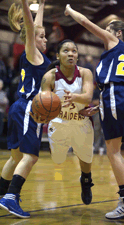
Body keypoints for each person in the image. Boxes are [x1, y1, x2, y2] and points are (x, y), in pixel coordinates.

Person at [64, 4, 124, 220]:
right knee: (113, 150)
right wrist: (99, 107)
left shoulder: (115, 44)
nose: (104, 32)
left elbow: (86, 23)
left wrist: (70, 10)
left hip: (116, 97)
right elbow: (121, 86)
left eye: (108, 28)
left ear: (118, 33)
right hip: (119, 98)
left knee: (113, 151)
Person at [0, 0, 50, 218]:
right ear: (31, 39)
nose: (45, 38)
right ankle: (10, 198)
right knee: (31, 157)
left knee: (15, 158)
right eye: (42, 36)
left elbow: (36, 26)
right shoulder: (33, 53)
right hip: (29, 108)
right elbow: (31, 28)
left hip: (17, 108)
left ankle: (2, 194)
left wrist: (42, 5)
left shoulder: (35, 55)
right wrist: (23, 2)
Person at [31, 39, 95, 206]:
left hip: (81, 120)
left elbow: (88, 97)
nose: (71, 54)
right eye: (66, 51)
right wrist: (42, 115)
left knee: (85, 158)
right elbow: (43, 102)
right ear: (58, 55)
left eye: (74, 51)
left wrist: (73, 97)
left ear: (78, 56)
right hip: (59, 122)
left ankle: (86, 181)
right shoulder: (49, 77)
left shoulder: (85, 73)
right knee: (58, 159)